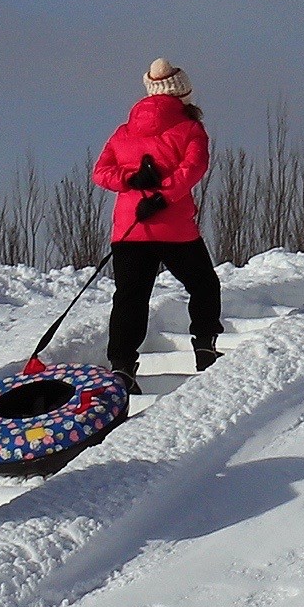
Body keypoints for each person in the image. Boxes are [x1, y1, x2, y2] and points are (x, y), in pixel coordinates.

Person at [93, 59, 220, 387]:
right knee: (203, 285)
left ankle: (121, 365)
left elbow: (101, 173)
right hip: (175, 227)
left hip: (129, 229)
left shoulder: (124, 132)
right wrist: (163, 197)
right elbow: (193, 169)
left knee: (129, 297)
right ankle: (205, 348)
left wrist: (131, 178)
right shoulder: (191, 128)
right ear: (183, 92)